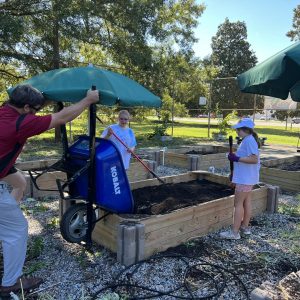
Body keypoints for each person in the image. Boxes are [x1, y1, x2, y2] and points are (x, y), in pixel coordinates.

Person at [0, 84, 99, 295]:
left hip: (4, 168)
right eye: (35, 109)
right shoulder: (21, 123)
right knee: (17, 230)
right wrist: (88, 100)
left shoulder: (4, 111)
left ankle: (5, 216)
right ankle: (9, 284)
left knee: (20, 182)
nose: (36, 113)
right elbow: (61, 117)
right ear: (26, 107)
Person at [220, 118, 260, 240]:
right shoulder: (248, 140)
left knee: (237, 204)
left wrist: (236, 159)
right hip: (248, 178)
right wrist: (234, 158)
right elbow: (245, 156)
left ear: (245, 130)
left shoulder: (249, 141)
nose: (237, 131)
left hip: (245, 179)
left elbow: (254, 159)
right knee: (246, 202)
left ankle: (235, 232)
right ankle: (244, 227)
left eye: (238, 129)